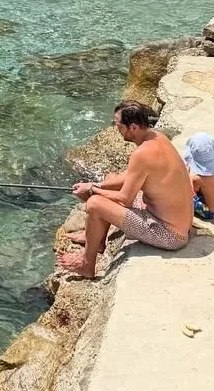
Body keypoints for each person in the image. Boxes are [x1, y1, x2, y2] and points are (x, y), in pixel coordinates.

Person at [57, 102, 194, 279]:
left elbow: (125, 199)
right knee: (110, 178)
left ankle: (86, 264)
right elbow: (129, 176)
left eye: (119, 125)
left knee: (94, 204)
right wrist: (97, 184)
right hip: (173, 220)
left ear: (133, 127)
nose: (117, 129)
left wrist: (92, 190)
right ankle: (96, 239)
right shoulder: (157, 137)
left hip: (169, 234)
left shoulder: (142, 154)